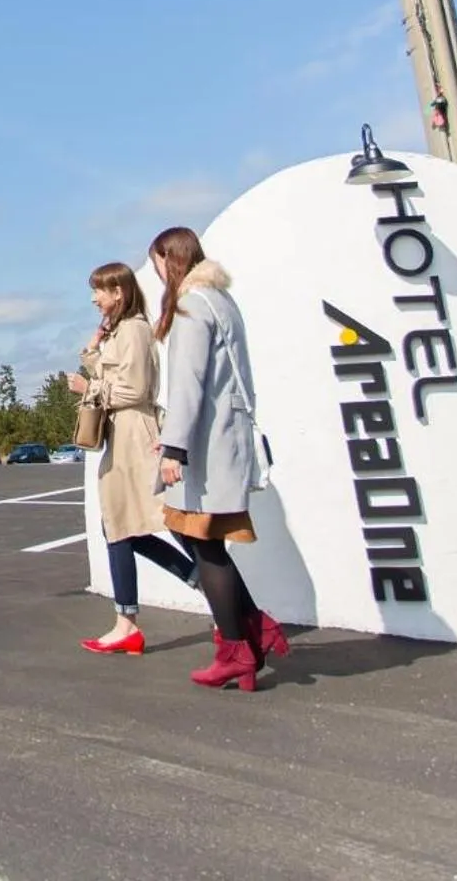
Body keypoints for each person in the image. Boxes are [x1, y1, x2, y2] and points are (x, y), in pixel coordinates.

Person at [149, 225, 289, 691]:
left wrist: (173, 447)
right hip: (223, 436)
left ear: (171, 260)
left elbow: (188, 384)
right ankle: (251, 632)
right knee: (204, 538)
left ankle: (237, 646)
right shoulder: (221, 299)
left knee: (203, 540)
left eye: (157, 262)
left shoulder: (190, 305)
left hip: (207, 443)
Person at [69, 260, 199, 655]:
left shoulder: (137, 330)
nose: (94, 298)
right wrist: (93, 349)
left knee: (164, 521)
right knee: (121, 528)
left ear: (118, 292)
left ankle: (222, 595)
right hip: (120, 437)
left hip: (136, 437)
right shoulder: (122, 332)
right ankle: (128, 621)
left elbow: (135, 390)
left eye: (99, 290)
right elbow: (118, 376)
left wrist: (88, 386)